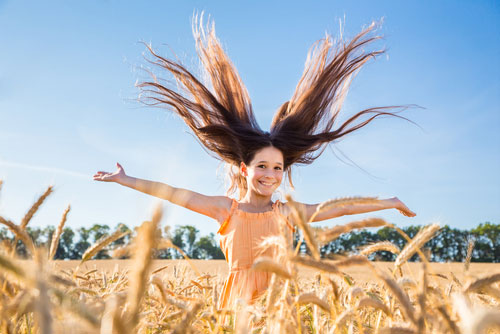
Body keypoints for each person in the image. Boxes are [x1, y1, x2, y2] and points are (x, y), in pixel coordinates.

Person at [93, 16, 416, 309]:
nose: (270, 175)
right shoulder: (225, 210)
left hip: (279, 309)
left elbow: (341, 208)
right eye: (262, 166)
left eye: (278, 168)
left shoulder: (288, 214)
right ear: (245, 169)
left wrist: (389, 202)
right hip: (236, 309)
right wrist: (125, 179)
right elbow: (173, 192)